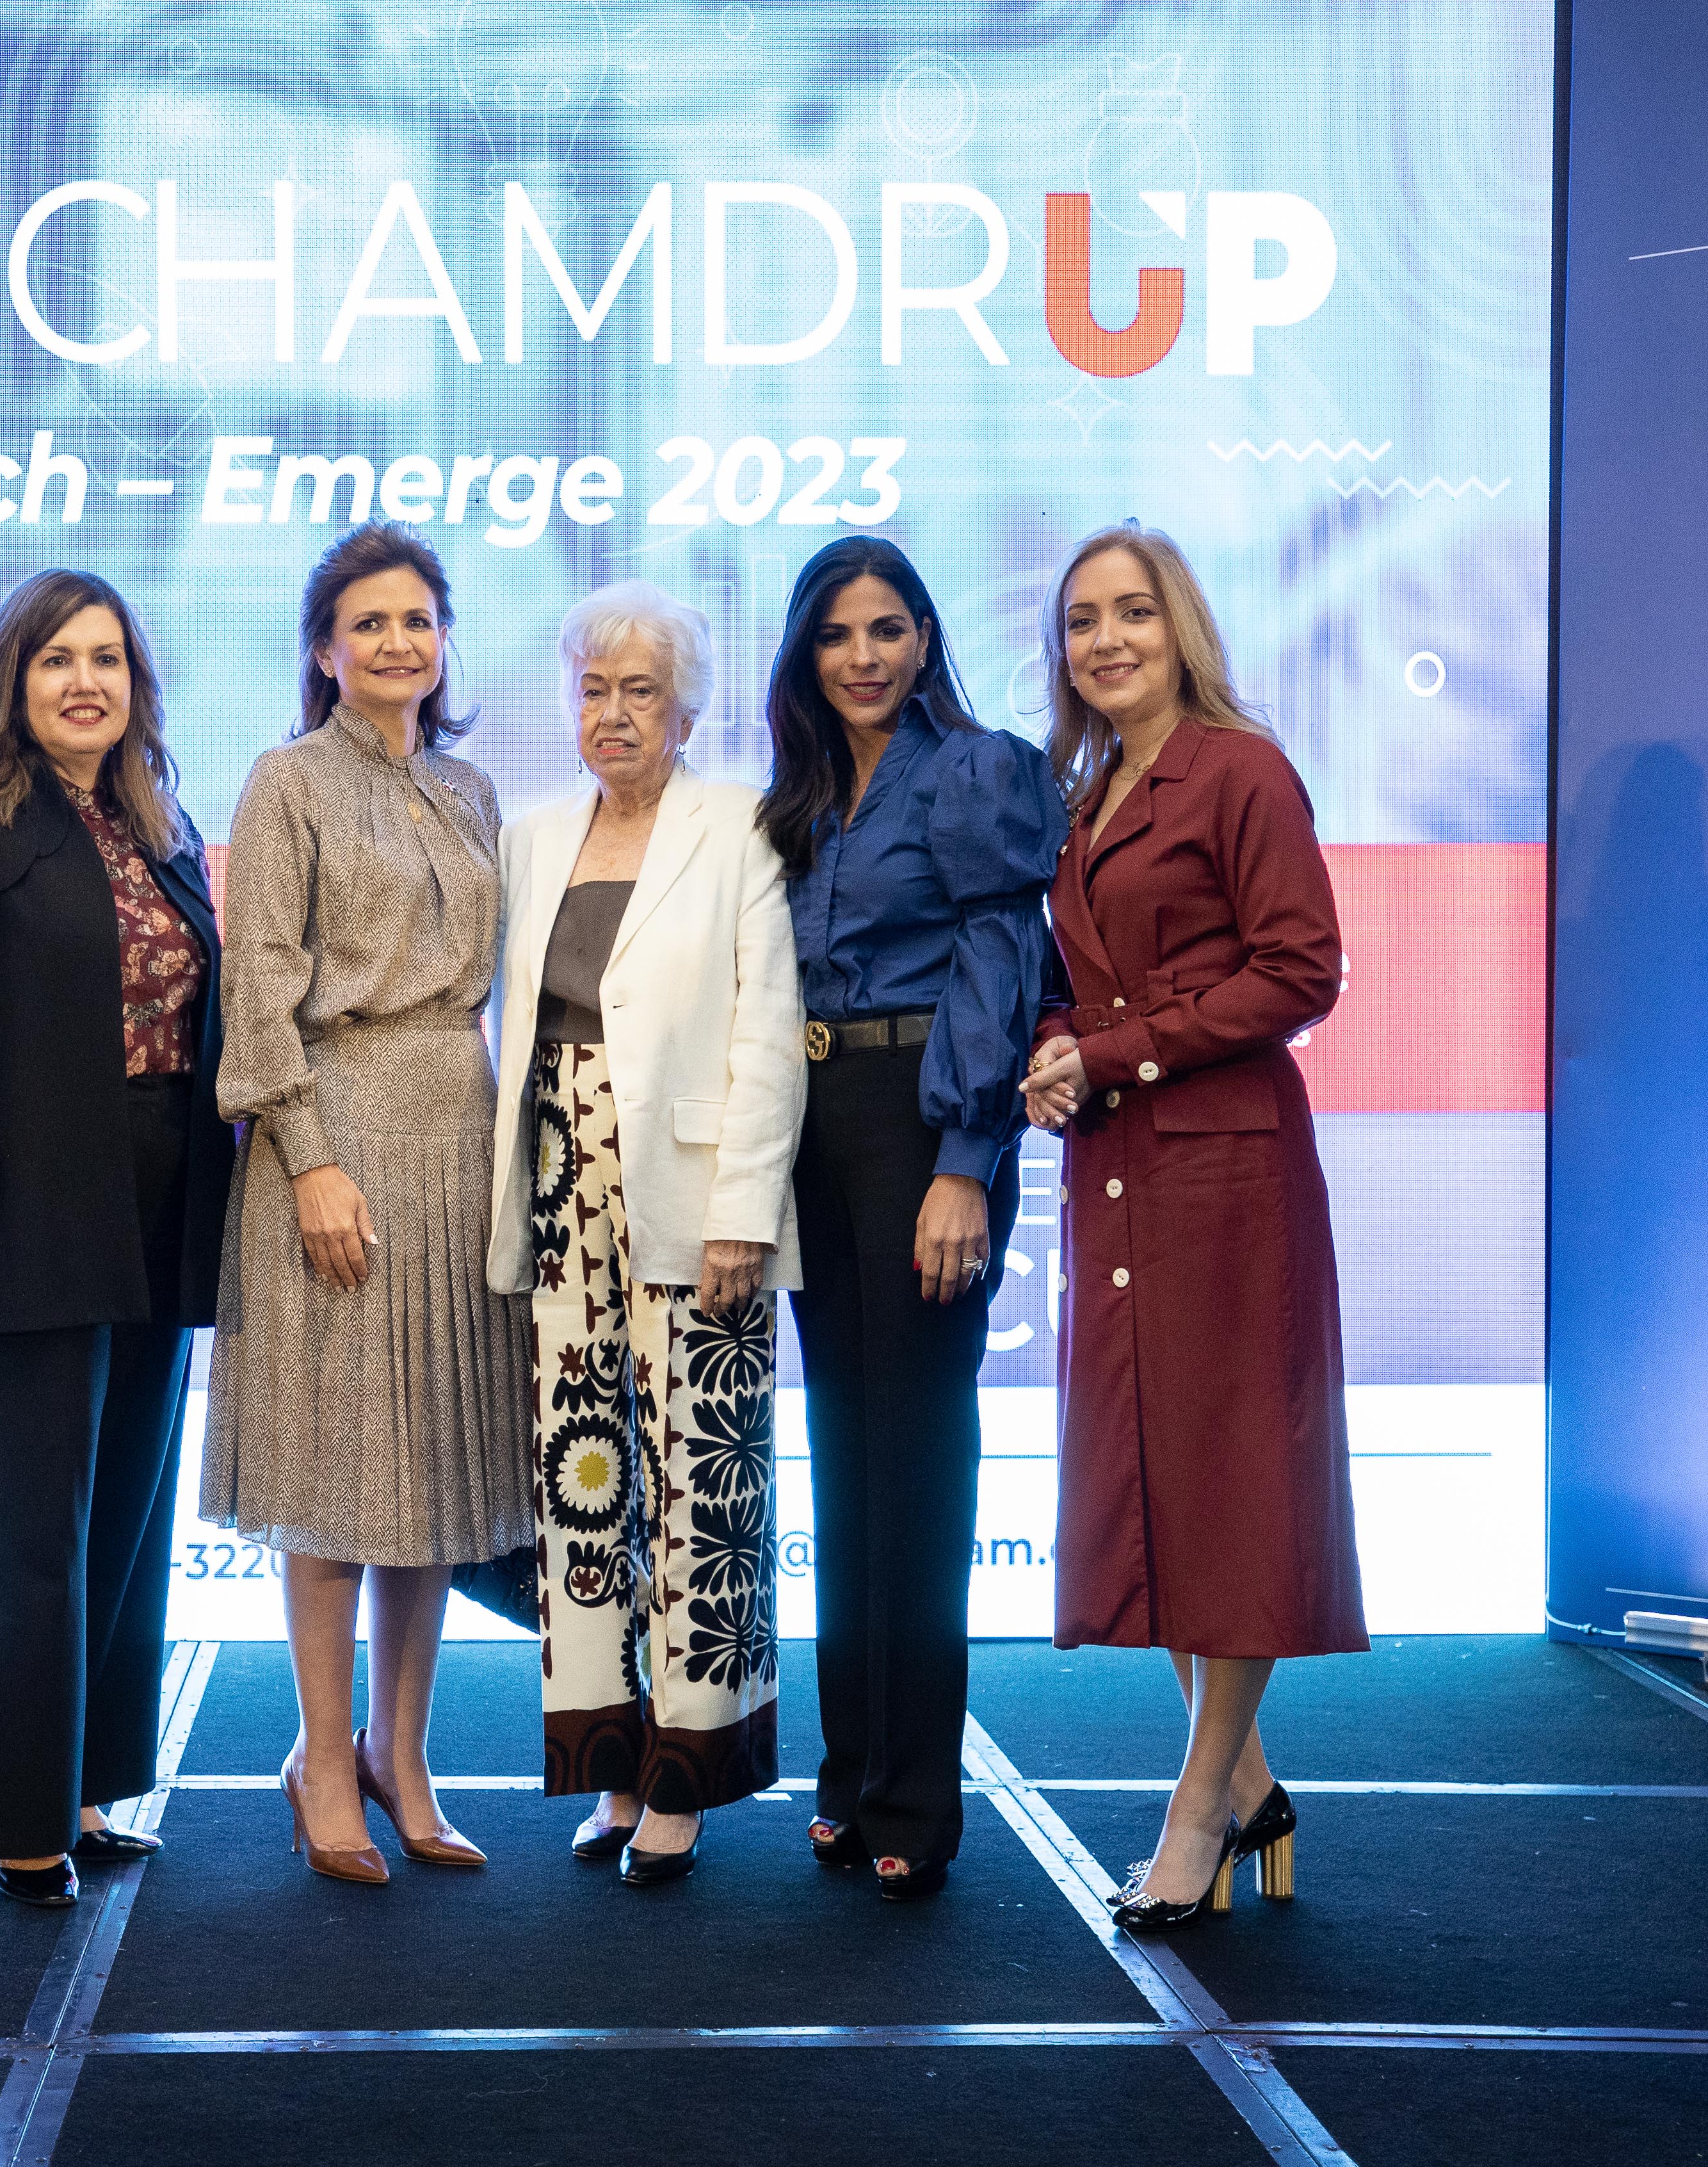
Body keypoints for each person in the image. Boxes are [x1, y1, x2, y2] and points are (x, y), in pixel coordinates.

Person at [1019, 523, 1367, 1933]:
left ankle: (1199, 1804)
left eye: (1133, 613)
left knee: (1228, 1492)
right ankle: (1250, 1786)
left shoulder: (1241, 770)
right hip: (1118, 1170)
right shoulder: (1084, 793)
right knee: (1159, 1483)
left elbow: (1302, 969)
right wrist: (1054, 1048)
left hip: (1230, 1178)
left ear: (1183, 629)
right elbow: (1076, 981)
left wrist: (1110, 1054)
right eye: (1082, 620)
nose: (1106, 640)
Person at [0, 571, 235, 1910]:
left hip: (152, 1208)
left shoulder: (157, 829)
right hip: (15, 1215)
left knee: (122, 1521)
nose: (87, 682)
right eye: (57, 661)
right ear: (11, 683)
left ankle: (84, 1788)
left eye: (108, 660)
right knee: (25, 1536)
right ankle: (21, 1819)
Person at [205, 522, 535, 1886]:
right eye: (370, 623)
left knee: (432, 1472)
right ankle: (320, 1758)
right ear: (325, 650)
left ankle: (404, 1754)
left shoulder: (471, 789)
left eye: (418, 620)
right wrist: (309, 1156)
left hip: (461, 1135)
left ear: (443, 641)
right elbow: (258, 984)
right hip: (333, 1133)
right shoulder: (287, 781)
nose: (399, 641)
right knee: (338, 1474)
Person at [759, 535, 1061, 1903]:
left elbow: (1003, 961)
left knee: (922, 1462)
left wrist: (964, 1160)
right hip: (812, 1128)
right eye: (836, 634)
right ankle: (849, 1776)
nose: (864, 656)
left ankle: (917, 1802)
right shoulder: (801, 793)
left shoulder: (977, 771)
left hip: (923, 1122)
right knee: (845, 1452)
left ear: (926, 638)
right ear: (804, 655)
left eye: (887, 629)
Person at [485, 581, 802, 1888]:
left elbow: (767, 1031)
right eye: (593, 690)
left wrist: (745, 1211)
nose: (613, 714)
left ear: (686, 711)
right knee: (584, 1476)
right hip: (557, 1176)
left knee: (703, 1477)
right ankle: (611, 1765)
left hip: (693, 1187)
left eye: (641, 692)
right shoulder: (531, 836)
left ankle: (688, 1779)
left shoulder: (742, 827)